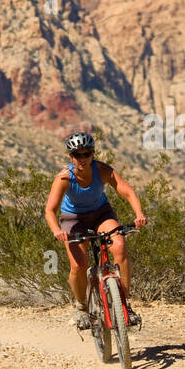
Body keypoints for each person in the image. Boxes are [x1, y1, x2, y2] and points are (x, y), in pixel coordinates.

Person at [45, 131, 146, 329]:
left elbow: (127, 191)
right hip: (73, 219)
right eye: (77, 155)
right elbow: (50, 210)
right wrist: (57, 230)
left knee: (119, 247)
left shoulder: (102, 170)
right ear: (70, 156)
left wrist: (139, 213)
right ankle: (81, 306)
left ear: (93, 154)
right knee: (78, 265)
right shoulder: (64, 178)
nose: (82, 159)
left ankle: (124, 304)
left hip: (101, 214)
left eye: (87, 154)